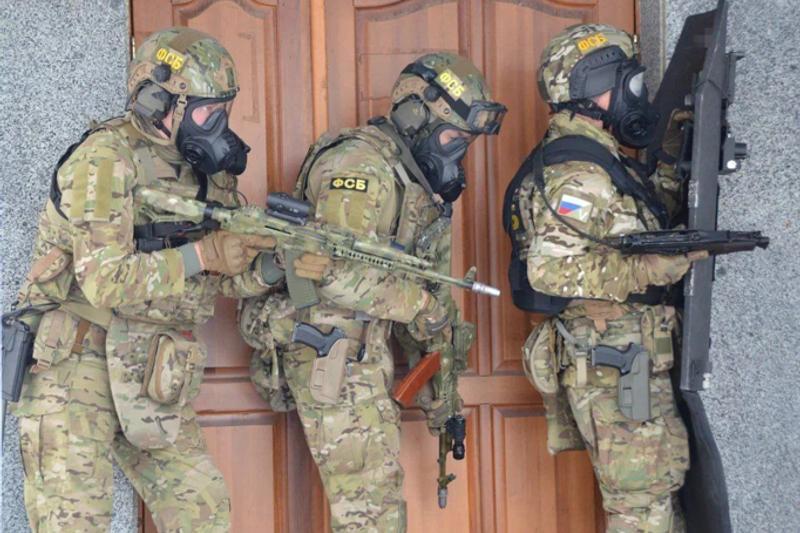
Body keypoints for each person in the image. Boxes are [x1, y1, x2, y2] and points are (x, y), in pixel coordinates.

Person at [10, 27, 278, 532]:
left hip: (151, 368)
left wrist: (268, 267)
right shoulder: (104, 158)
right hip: (75, 365)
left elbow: (216, 280)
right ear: (159, 100)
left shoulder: (211, 176)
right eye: (207, 112)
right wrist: (204, 253)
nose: (217, 125)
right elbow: (105, 281)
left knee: (203, 511)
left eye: (223, 110)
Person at [240, 52, 506, 532]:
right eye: (452, 139)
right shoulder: (360, 164)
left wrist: (441, 388)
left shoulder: (409, 177)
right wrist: (420, 306)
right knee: (369, 510)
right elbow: (333, 271)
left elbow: (414, 281)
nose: (456, 156)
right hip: (329, 346)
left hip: (358, 348)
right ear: (415, 115)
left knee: (376, 504)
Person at [505, 24, 705, 532]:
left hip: (625, 360)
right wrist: (649, 269)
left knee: (654, 498)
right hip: (615, 363)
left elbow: (626, 229)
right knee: (640, 508)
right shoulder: (577, 171)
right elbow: (550, 270)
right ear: (597, 87)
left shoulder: (601, 160)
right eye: (630, 83)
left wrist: (672, 158)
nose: (637, 95)